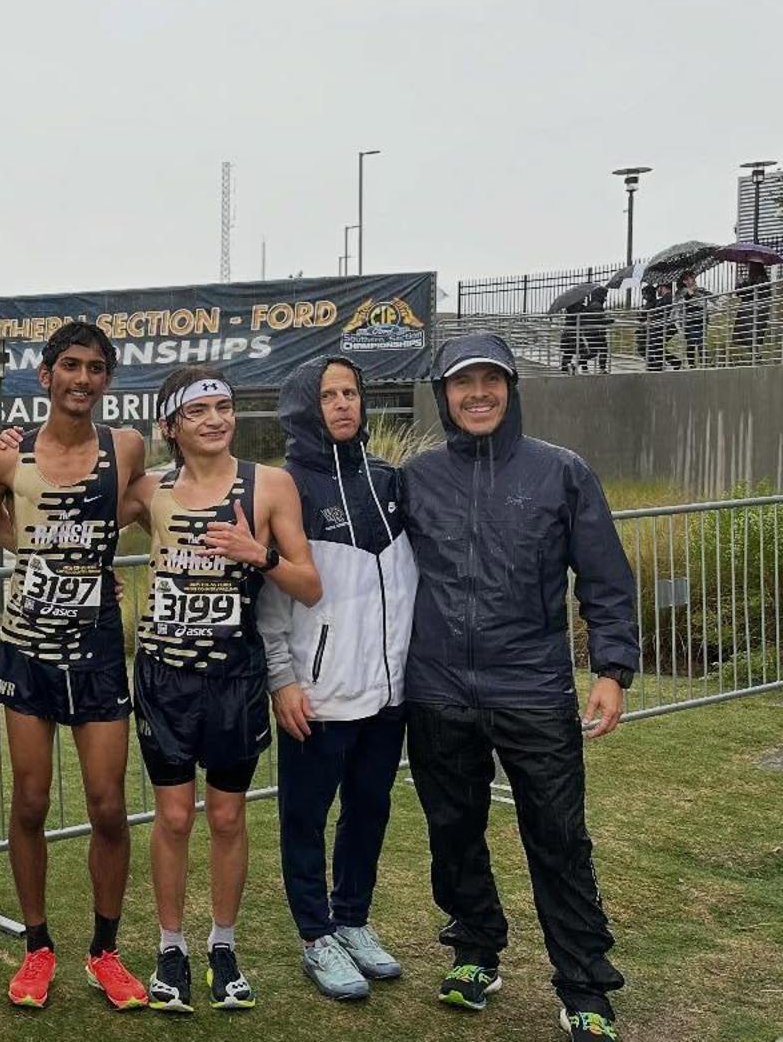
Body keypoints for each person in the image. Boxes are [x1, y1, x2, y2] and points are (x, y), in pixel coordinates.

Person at [400, 333, 637, 1042]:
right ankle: (476, 951)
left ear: (511, 388)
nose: (478, 394)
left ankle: (585, 985)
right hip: (438, 688)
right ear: (443, 395)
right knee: (453, 830)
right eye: (463, 383)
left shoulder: (561, 473)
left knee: (559, 837)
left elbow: (605, 577)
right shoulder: (415, 479)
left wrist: (612, 669)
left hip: (532, 686)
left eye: (491, 381)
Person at [0, 321, 152, 1010]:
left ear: (107, 379)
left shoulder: (125, 447)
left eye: (95, 368)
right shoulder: (10, 459)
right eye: (69, 365)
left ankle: (105, 950)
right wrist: (22, 534)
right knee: (32, 802)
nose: (82, 378)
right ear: (45, 376)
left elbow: (144, 507)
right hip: (28, 654)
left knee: (106, 805)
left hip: (97, 652)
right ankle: (38, 948)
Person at [126, 364, 320, 1016]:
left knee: (229, 816)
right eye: (198, 410)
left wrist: (255, 553)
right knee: (175, 817)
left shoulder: (269, 485)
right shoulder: (150, 489)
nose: (214, 419)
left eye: (224, 406)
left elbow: (308, 584)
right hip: (162, 677)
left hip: (233, 678)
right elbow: (62, 500)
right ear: (172, 425)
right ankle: (170, 949)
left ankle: (225, 946)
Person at [257, 356, 416, 1001]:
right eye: (329, 395)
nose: (344, 404)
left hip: (388, 692)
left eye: (352, 391)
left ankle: (351, 919)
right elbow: (272, 599)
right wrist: (282, 678)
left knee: (370, 811)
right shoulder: (287, 485)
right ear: (303, 405)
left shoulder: (389, 480)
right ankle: (315, 934)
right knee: (305, 816)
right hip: (317, 695)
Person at [676, 272, 709, 369]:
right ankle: (692, 366)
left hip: (701, 319)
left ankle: (704, 365)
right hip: (690, 320)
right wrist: (691, 293)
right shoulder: (682, 291)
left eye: (693, 277)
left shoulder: (700, 290)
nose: (693, 279)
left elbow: (707, 300)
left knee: (701, 343)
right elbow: (683, 301)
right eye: (690, 278)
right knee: (691, 343)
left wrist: (697, 292)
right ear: (684, 281)